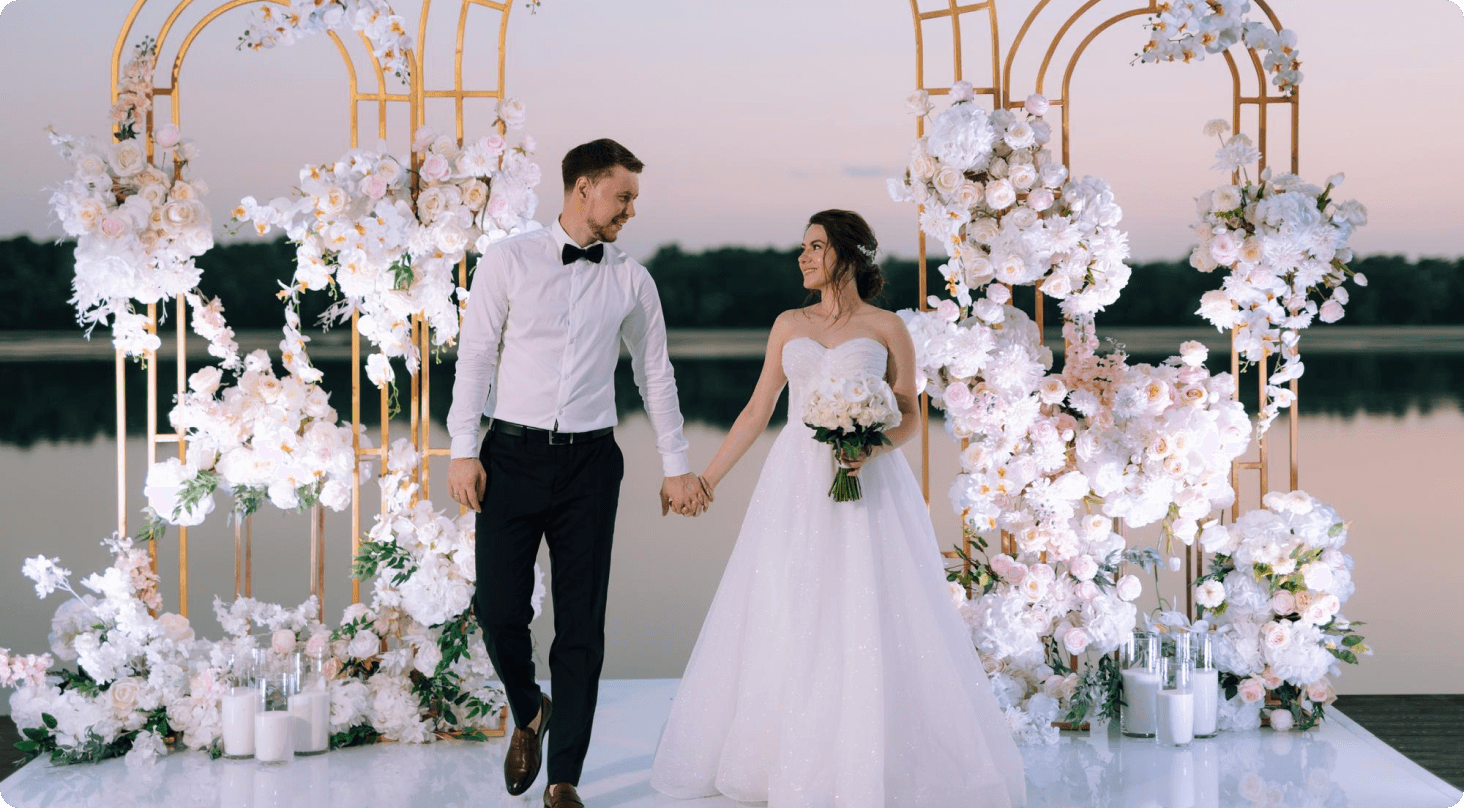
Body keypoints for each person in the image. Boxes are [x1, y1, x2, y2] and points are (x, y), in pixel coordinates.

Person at [649, 210, 1028, 807]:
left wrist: (869, 447)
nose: (802, 257)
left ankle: (872, 755)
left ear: (850, 256)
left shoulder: (886, 328)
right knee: (789, 601)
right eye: (802, 246)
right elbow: (756, 411)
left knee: (867, 607)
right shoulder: (787, 324)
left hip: (867, 482)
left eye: (816, 246)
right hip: (794, 481)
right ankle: (786, 755)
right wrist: (707, 479)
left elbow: (910, 413)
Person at [446, 138, 711, 808]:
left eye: (633, 200)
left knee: (582, 624)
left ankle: (564, 778)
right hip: (509, 457)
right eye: (623, 196)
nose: (629, 211)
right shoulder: (506, 262)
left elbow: (657, 376)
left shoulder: (632, 278)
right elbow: (475, 358)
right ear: (584, 186)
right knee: (497, 609)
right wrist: (461, 449)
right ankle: (529, 707)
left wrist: (675, 466)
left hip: (592, 465)